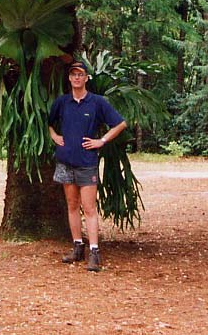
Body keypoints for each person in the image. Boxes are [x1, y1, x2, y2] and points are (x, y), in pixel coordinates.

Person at [48, 60, 127, 272]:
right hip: (65, 161)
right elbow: (48, 122)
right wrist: (54, 135)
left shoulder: (97, 102)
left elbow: (120, 123)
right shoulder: (62, 102)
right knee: (72, 205)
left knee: (89, 208)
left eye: (80, 74)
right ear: (69, 78)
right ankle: (77, 247)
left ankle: (94, 252)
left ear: (86, 78)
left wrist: (102, 141)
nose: (76, 78)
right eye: (73, 74)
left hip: (87, 163)